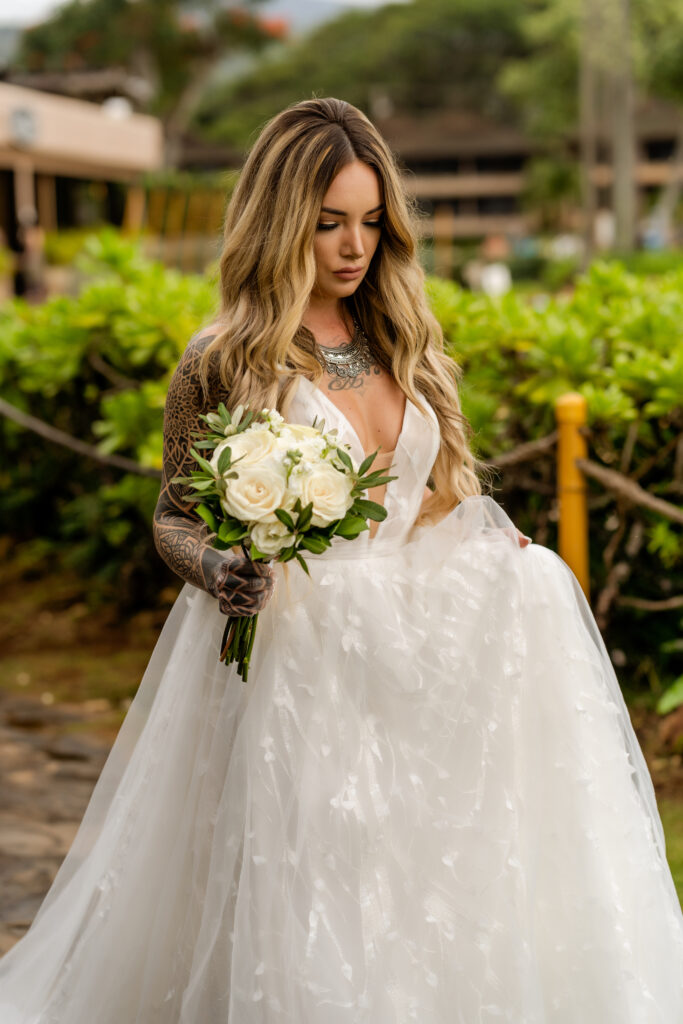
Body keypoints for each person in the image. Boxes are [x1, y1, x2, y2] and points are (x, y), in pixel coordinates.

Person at [1, 97, 682, 1023]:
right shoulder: (225, 358)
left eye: (368, 222)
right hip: (299, 652)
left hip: (422, 653)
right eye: (328, 224)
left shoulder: (404, 342)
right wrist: (215, 568)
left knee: (436, 868)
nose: (353, 246)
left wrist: (492, 543)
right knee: (316, 871)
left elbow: (436, 493)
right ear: (281, 218)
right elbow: (173, 514)